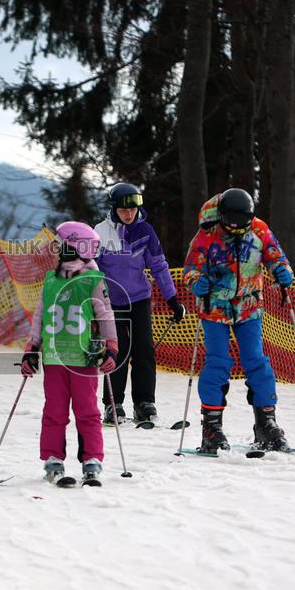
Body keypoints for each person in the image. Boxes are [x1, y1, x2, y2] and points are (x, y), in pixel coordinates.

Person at [182, 188, 295, 453]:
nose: (235, 231)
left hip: (248, 306)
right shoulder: (207, 234)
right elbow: (190, 269)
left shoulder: (259, 231)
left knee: (256, 360)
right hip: (215, 307)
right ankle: (212, 427)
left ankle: (266, 423)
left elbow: (276, 257)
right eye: (230, 226)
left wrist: (282, 270)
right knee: (218, 362)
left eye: (241, 226)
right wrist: (196, 281)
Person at [20, 221, 118, 485]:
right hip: (54, 357)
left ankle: (91, 460)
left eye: (61, 245)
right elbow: (40, 315)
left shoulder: (94, 280)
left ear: (75, 248)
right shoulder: (51, 280)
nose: (56, 249)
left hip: (83, 358)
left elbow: (106, 315)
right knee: (54, 410)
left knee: (87, 411)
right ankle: (53, 459)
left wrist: (111, 347)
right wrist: (32, 348)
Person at [93, 182, 185, 427]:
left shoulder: (145, 231)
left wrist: (172, 299)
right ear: (114, 209)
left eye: (133, 209)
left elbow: (159, 266)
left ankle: (144, 402)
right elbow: (92, 271)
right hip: (112, 301)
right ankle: (113, 404)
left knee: (144, 350)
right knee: (117, 350)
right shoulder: (100, 233)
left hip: (140, 299)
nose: (129, 214)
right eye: (124, 210)